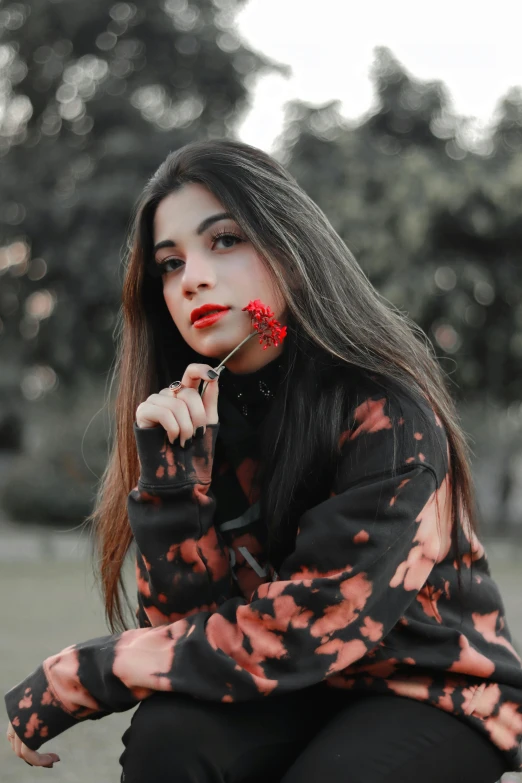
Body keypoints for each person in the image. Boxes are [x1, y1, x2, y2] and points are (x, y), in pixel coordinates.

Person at [4, 138, 522, 783]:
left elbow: (310, 625)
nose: (192, 277)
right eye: (169, 264)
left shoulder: (386, 415)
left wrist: (82, 675)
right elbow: (187, 636)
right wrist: (173, 484)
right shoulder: (195, 416)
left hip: (430, 689)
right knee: (172, 736)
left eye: (224, 240)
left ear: (289, 246)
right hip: (287, 687)